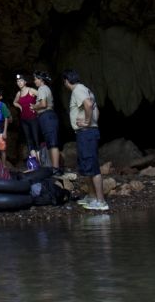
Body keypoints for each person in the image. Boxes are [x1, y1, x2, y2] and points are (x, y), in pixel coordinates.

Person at [63, 69, 107, 211]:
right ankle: (92, 196)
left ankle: (101, 201)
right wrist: (92, 123)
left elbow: (88, 105)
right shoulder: (87, 90)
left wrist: (88, 122)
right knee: (86, 165)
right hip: (86, 133)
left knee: (92, 166)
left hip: (87, 133)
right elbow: (97, 110)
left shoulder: (78, 90)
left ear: (67, 80)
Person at [33, 71, 62, 174]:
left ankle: (56, 168)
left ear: (41, 80)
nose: (34, 81)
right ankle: (54, 167)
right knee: (50, 142)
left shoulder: (42, 88)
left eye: (36, 79)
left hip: (47, 116)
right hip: (47, 117)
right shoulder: (45, 89)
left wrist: (34, 106)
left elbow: (43, 104)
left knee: (52, 143)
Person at [13, 73, 42, 162]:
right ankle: (35, 162)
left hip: (33, 118)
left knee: (36, 139)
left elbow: (42, 97)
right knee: (29, 140)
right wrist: (20, 106)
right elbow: (14, 102)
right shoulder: (19, 93)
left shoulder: (31, 90)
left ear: (25, 82)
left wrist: (36, 106)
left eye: (21, 81)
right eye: (18, 81)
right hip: (24, 120)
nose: (19, 83)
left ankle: (40, 161)